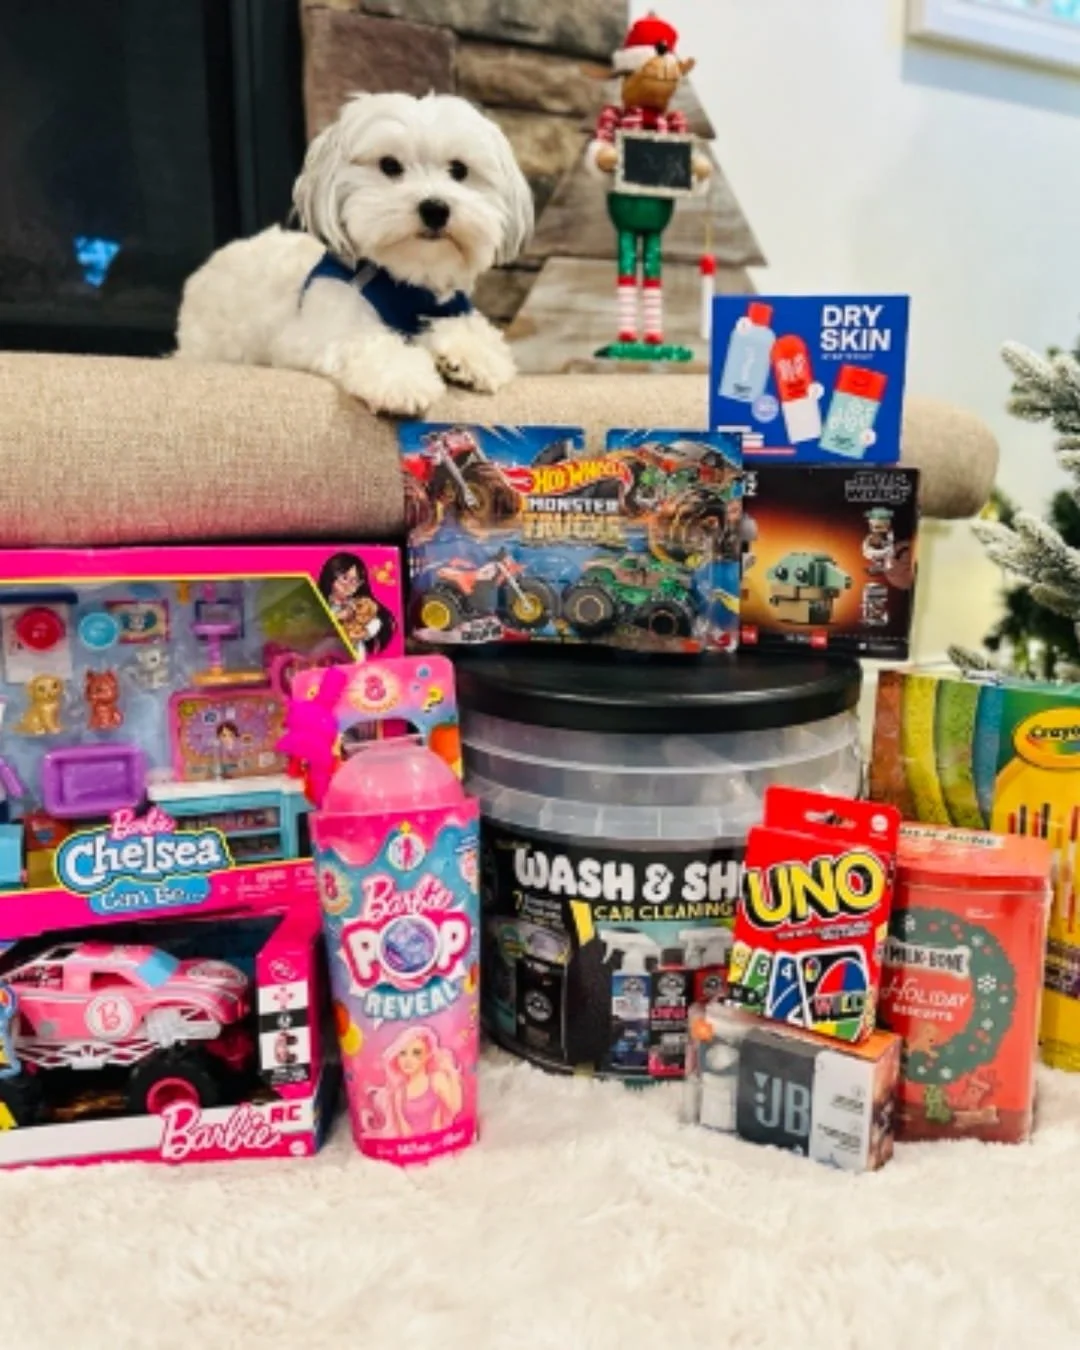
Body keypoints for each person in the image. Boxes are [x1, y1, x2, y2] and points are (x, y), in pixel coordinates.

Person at [372, 1026, 463, 1138]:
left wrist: (452, 1074)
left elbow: (455, 1107)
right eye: (402, 1053)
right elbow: (404, 1131)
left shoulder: (436, 1080)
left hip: (439, 1140)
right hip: (413, 1145)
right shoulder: (399, 1092)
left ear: (427, 1055)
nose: (407, 1060)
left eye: (416, 1053)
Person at [318, 552, 397, 656]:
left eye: (355, 581)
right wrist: (338, 616)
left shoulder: (358, 605)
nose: (349, 585)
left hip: (353, 656)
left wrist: (364, 632)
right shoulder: (321, 604)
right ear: (331, 576)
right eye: (345, 578)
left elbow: (376, 622)